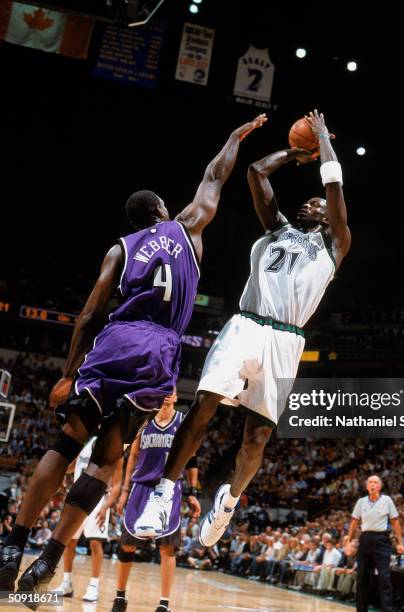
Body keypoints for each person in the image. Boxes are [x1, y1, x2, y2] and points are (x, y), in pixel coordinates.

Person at [0, 113, 267, 602]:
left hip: (115, 342)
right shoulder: (187, 228)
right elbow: (214, 178)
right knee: (104, 463)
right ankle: (50, 559)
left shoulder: (119, 249)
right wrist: (234, 136)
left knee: (63, 446)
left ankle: (11, 544)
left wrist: (68, 375)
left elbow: (87, 316)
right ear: (163, 210)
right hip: (158, 350)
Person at [133, 109, 351, 547]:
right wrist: (295, 151)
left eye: (319, 204)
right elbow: (255, 172)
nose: (312, 201)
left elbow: (334, 184)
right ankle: (164, 490)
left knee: (257, 437)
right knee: (205, 402)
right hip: (246, 323)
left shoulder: (335, 243)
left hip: (286, 340)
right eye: (309, 201)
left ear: (329, 217)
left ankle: (227, 505)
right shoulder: (277, 229)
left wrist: (324, 137)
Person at [110, 391, 200, 612]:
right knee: (127, 543)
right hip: (140, 486)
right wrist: (124, 490)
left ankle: (164, 603)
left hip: (168, 488)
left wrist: (192, 491)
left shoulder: (182, 421)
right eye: (164, 391)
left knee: (167, 548)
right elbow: (132, 455)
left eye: (172, 392)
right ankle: (120, 597)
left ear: (177, 397)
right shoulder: (144, 418)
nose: (167, 395)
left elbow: (191, 459)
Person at [53, 440, 123, 602]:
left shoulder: (117, 445)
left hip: (99, 498)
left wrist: (106, 506)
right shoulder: (86, 441)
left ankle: (94, 586)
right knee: (70, 541)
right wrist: (62, 469)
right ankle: (66, 583)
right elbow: (73, 466)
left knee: (95, 543)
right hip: (78, 495)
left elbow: (117, 483)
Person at [348, 475, 404, 612]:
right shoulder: (361, 502)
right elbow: (354, 522)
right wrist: (349, 541)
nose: (373, 484)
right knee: (362, 578)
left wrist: (400, 543)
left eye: (375, 482)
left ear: (379, 486)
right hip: (365, 539)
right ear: (367, 486)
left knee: (384, 578)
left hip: (382, 540)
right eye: (370, 482)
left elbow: (395, 522)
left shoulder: (387, 500)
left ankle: (387, 610)